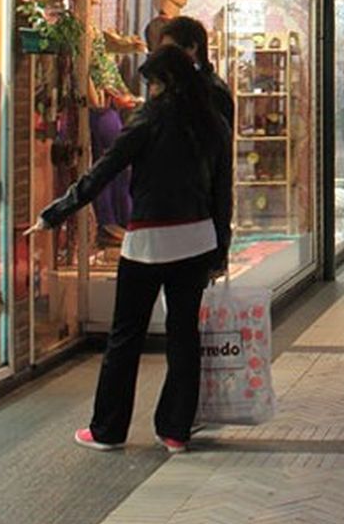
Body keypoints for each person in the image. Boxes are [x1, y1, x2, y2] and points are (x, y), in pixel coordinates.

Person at [25, 46, 232, 454]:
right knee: (183, 335)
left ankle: (108, 429)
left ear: (163, 82)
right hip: (198, 240)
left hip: (149, 242)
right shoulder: (213, 123)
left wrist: (55, 213)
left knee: (126, 336)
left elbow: (103, 171)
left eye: (152, 82)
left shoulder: (147, 120)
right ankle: (176, 430)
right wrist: (220, 251)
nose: (149, 90)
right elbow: (222, 193)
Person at [158, 15, 235, 129]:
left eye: (171, 50)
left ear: (192, 48)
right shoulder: (178, 85)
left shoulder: (212, 91)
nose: (166, 57)